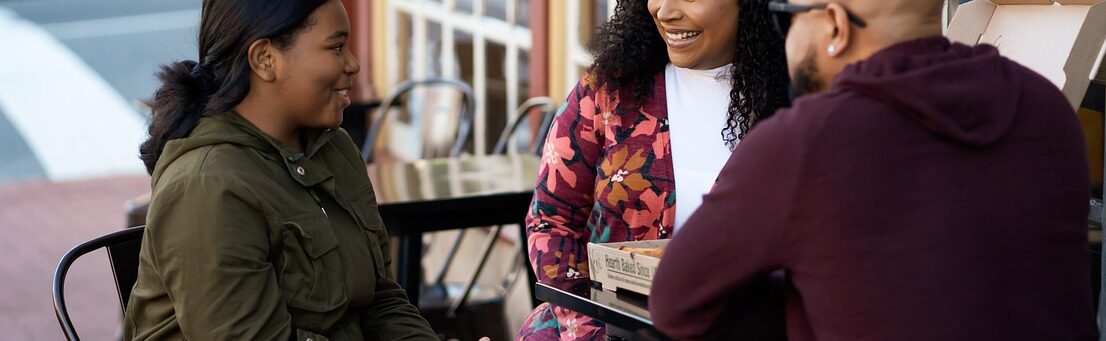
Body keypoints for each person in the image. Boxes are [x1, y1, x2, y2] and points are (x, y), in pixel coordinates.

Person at [649, 0, 1098, 339]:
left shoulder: (808, 140)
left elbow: (675, 304)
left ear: (836, 27)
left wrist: (809, 296)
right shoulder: (1046, 110)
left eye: (786, 18)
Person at [124, 0, 439, 339]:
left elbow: (380, 301)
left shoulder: (334, 148)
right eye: (335, 47)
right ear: (265, 59)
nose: (353, 64)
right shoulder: (208, 185)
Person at [517, 0, 792, 339]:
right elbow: (552, 217)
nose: (665, 10)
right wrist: (588, 328)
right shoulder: (609, 91)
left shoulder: (796, 110)